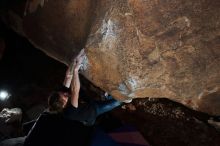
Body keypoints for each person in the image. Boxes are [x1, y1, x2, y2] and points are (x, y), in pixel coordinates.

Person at [23, 49, 132, 146]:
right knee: (116, 102)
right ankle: (124, 99)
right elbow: (75, 91)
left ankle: (105, 96)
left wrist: (76, 59)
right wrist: (76, 70)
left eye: (63, 93)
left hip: (87, 103)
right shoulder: (69, 112)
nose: (66, 93)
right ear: (64, 103)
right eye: (65, 96)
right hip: (91, 114)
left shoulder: (62, 95)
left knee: (92, 97)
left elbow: (67, 76)